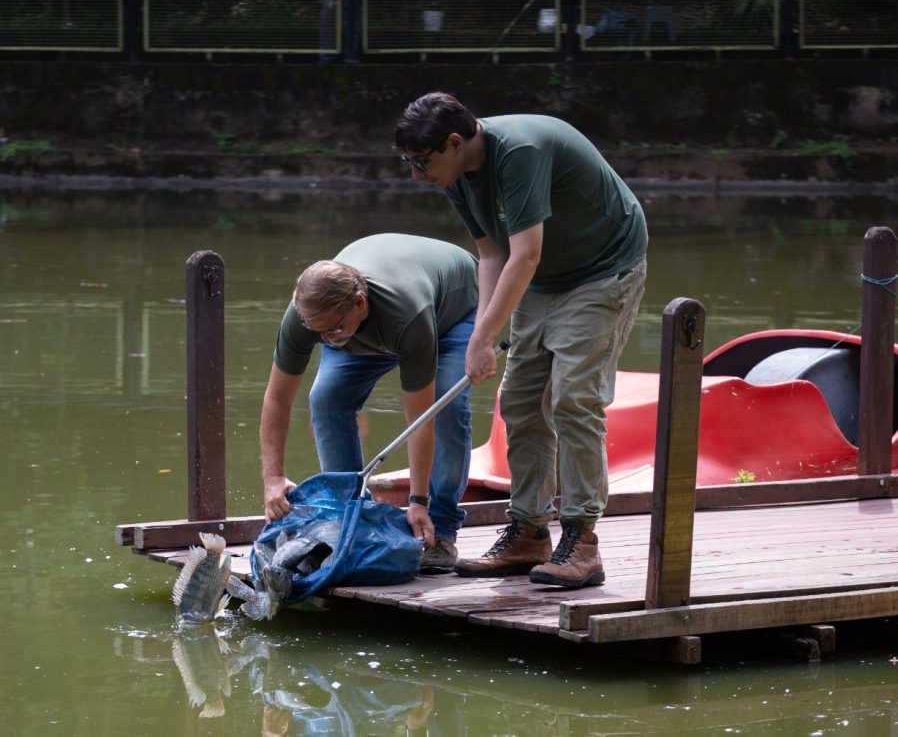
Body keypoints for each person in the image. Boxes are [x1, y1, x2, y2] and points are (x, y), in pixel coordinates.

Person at [394, 93, 648, 589]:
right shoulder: (454, 172)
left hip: (602, 269)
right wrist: (482, 332)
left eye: (422, 163)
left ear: (454, 142)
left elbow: (525, 253)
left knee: (575, 398)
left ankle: (583, 541)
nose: (416, 176)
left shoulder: (519, 152)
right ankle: (528, 532)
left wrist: (485, 338)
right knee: (520, 401)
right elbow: (491, 253)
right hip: (540, 276)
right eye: (409, 164)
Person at [260, 233, 479, 574]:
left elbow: (420, 418)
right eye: (316, 331)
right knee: (327, 399)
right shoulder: (310, 318)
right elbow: (277, 399)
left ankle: (442, 528)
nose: (324, 339)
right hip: (372, 321)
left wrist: (417, 501)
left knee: (445, 405)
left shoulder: (407, 315)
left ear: (360, 303)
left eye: (332, 329)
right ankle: (347, 519)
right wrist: (273, 478)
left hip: (451, 311)